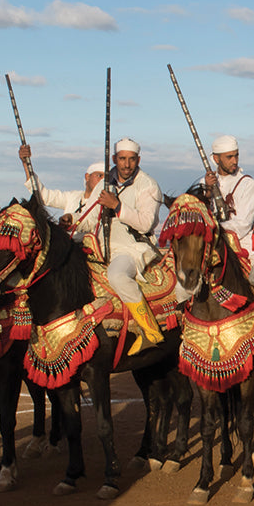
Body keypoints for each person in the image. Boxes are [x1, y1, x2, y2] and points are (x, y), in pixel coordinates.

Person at [96, 137, 165, 354]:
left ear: (138, 159)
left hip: (131, 248)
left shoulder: (149, 185)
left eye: (131, 159)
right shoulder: (104, 182)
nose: (126, 164)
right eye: (122, 159)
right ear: (115, 159)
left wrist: (117, 206)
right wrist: (71, 219)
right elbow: (90, 215)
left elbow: (145, 224)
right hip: (100, 245)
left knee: (117, 276)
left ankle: (150, 330)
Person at [18, 145, 105, 238]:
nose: (102, 181)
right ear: (87, 177)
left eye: (105, 178)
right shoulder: (73, 197)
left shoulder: (106, 203)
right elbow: (43, 196)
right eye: (99, 176)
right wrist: (26, 164)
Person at [199, 135, 254, 254]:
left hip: (241, 244)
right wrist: (207, 192)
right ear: (216, 159)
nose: (235, 161)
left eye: (236, 155)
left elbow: (244, 223)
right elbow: (199, 214)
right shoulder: (204, 182)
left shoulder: (247, 184)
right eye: (229, 157)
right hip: (208, 243)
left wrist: (215, 229)